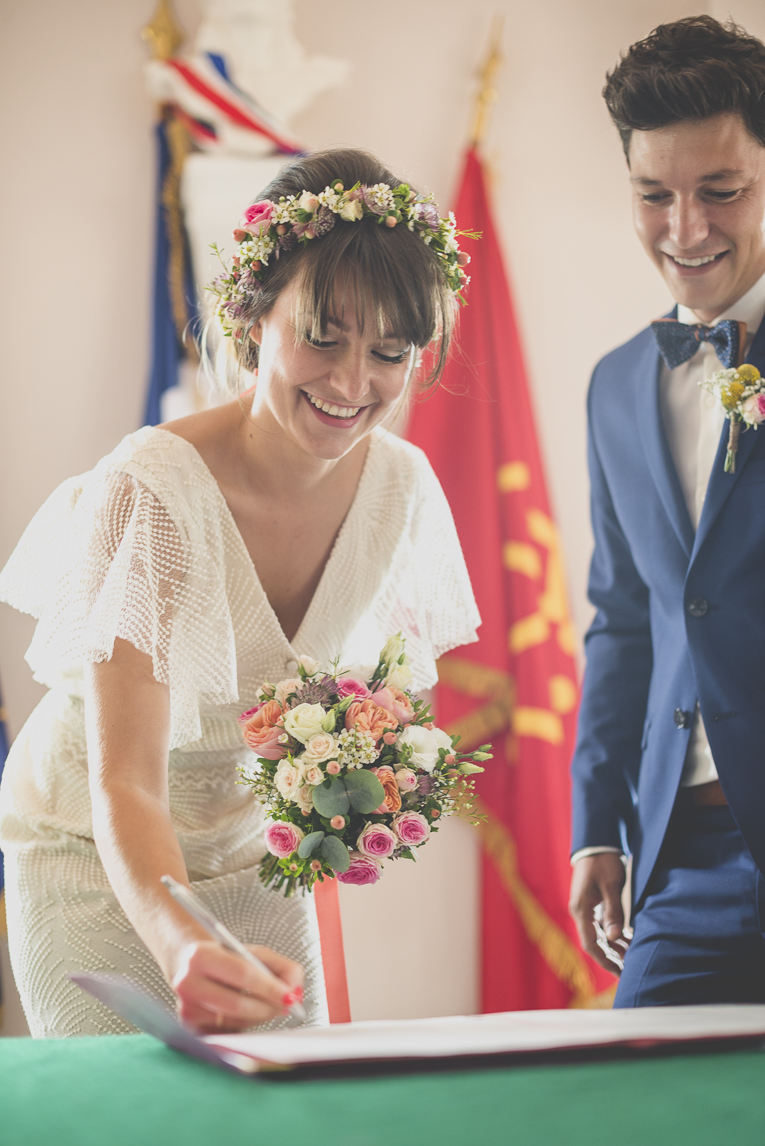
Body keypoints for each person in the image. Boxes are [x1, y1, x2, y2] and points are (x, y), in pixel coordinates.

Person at [0, 148, 480, 1037]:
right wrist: (183, 943)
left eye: (389, 352)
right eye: (322, 337)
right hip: (91, 852)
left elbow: (378, 702)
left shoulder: (402, 489)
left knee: (284, 1119)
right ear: (252, 315)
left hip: (250, 856)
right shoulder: (148, 492)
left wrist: (358, 782)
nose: (351, 384)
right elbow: (127, 785)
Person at [569, 16, 765, 1006]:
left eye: (720, 192)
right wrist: (598, 824)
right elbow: (625, 620)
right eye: (655, 195)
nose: (685, 231)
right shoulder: (612, 388)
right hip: (677, 857)